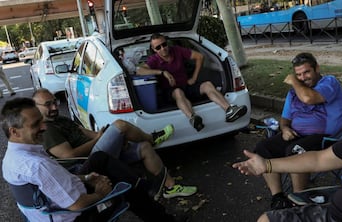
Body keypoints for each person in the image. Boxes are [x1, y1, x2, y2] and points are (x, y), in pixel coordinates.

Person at [233, 70, 342, 222]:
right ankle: (278, 197)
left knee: (295, 147)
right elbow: (319, 159)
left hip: (319, 137)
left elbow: (309, 98)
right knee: (266, 220)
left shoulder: (328, 85)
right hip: (331, 215)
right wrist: (267, 165)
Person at [1, 97, 180, 222]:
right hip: (78, 215)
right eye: (35, 125)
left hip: (52, 204)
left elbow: (54, 180)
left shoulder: (15, 156)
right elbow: (76, 205)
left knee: (100, 158)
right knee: (127, 190)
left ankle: (140, 186)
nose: (44, 127)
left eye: (41, 121)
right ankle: (148, 198)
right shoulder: (36, 165)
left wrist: (86, 178)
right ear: (14, 132)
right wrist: (100, 193)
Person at [32, 88, 197, 200]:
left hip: (99, 149)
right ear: (35, 107)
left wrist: (108, 138)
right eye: (48, 105)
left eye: (55, 102)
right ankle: (152, 138)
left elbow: (89, 134)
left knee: (143, 148)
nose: (54, 107)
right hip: (89, 162)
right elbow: (70, 156)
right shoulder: (47, 129)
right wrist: (101, 139)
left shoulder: (61, 119)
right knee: (120, 125)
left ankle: (170, 187)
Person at [254, 52, 342, 210]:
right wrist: (284, 128)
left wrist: (294, 81)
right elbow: (285, 118)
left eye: (306, 72)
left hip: (324, 138)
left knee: (295, 151)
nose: (303, 77)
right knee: (263, 148)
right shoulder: (293, 93)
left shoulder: (329, 82)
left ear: (317, 68)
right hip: (296, 134)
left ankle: (299, 198)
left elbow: (309, 98)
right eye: (298, 75)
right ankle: (278, 197)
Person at [136, 33, 247, 131]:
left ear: (167, 43)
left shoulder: (176, 50)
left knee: (207, 85)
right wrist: (162, 72)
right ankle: (193, 118)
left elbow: (199, 56)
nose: (162, 49)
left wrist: (194, 78)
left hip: (187, 85)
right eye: (158, 47)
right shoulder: (154, 60)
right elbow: (140, 71)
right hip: (171, 92)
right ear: (154, 49)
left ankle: (229, 109)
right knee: (178, 92)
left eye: (164, 44)